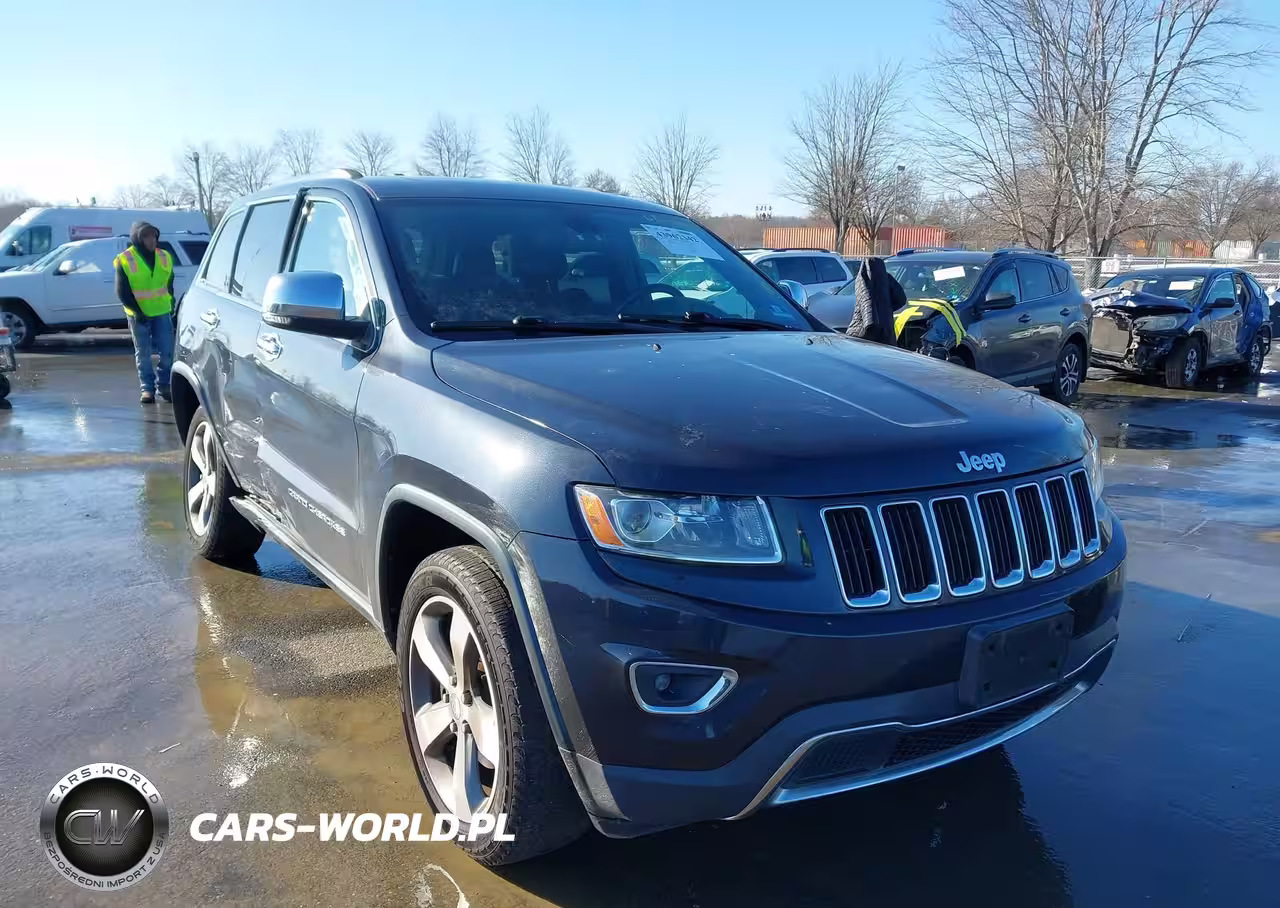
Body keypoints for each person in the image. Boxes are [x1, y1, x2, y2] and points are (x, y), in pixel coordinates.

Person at [115, 221, 176, 403]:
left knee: (167, 352)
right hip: (138, 315)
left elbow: (169, 282)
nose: (152, 240)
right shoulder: (125, 259)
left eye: (154, 236)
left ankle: (164, 386)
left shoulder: (165, 256)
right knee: (143, 353)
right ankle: (147, 389)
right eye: (146, 236)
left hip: (161, 312)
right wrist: (137, 312)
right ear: (137, 238)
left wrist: (171, 301)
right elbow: (122, 291)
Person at [845, 256, 907, 345]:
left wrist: (871, 324)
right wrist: (885, 309)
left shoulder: (863, 280)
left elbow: (867, 301)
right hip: (886, 330)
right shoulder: (887, 278)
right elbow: (901, 299)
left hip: (866, 331)